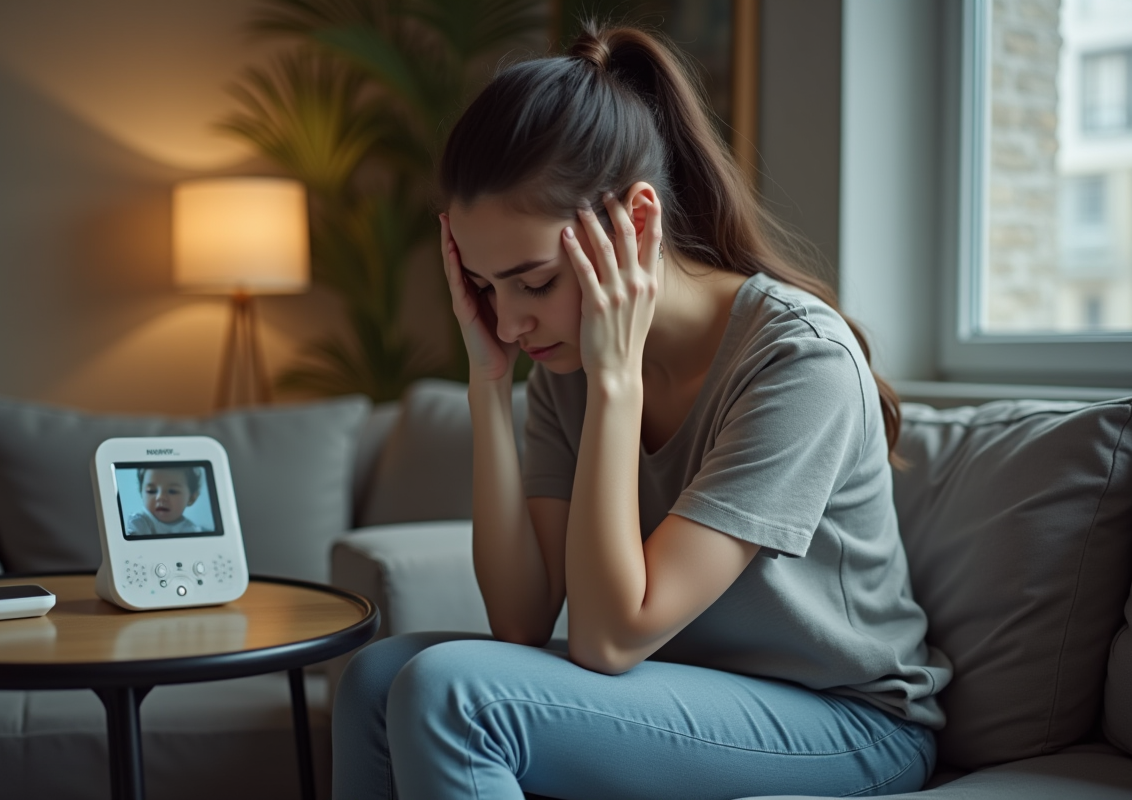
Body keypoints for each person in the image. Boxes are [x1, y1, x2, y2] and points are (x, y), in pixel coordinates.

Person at [333, 21, 951, 800]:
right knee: (375, 678)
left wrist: (616, 382)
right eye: (487, 289)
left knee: (453, 696)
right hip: (687, 690)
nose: (512, 322)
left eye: (534, 281)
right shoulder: (562, 361)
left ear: (634, 221)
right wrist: (487, 382)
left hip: (852, 721)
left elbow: (609, 637)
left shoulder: (800, 361)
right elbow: (522, 619)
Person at [126, 466, 205, 535]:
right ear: (141, 492)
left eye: (172, 491)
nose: (160, 497)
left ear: (192, 498)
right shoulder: (139, 523)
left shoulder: (193, 530)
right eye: (151, 491)